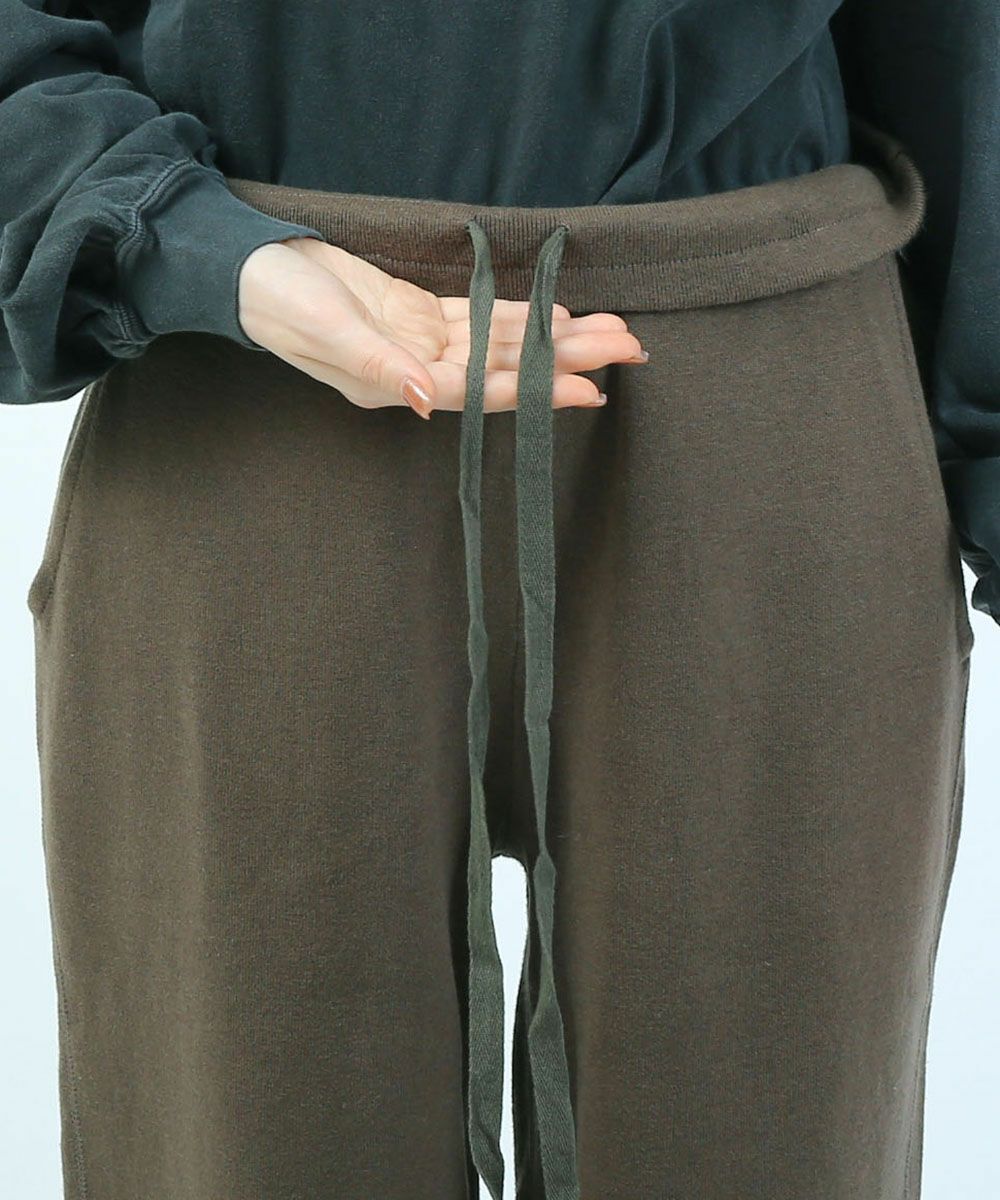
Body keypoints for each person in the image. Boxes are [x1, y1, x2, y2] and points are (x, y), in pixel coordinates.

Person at [0, 3, 991, 1198]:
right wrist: (195, 246)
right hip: (256, 387)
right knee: (248, 1139)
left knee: (770, 1142)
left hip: (762, 409)